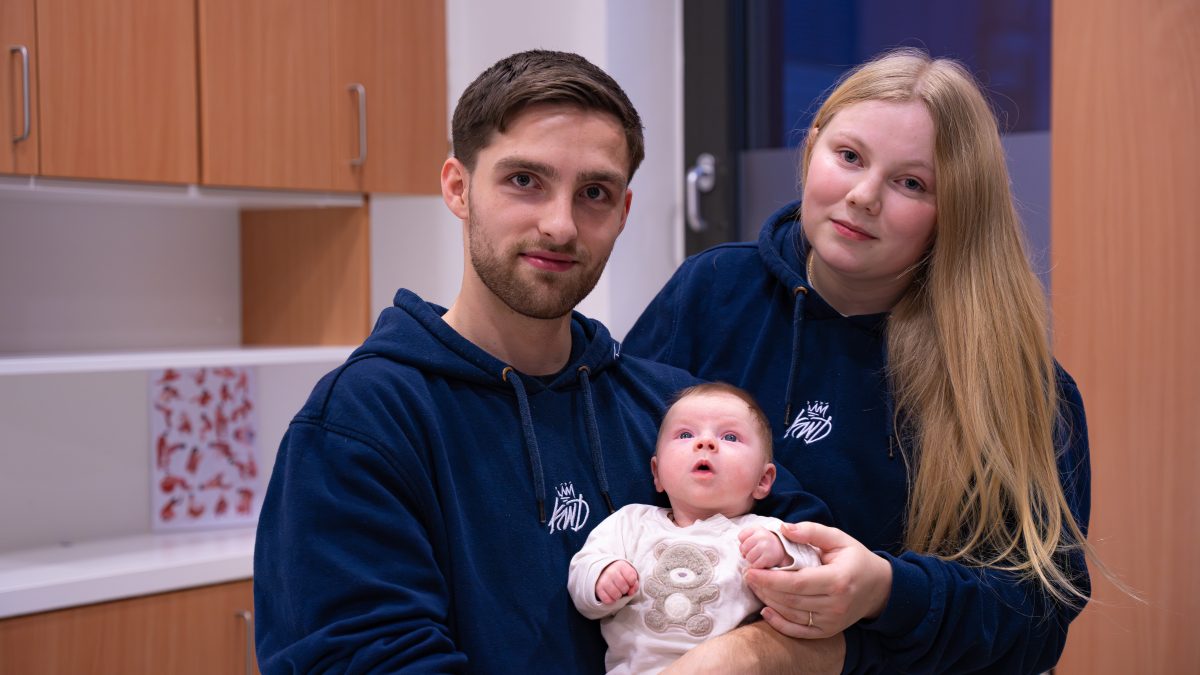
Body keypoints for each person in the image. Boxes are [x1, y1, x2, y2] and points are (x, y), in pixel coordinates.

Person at [252, 49, 817, 674]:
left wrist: (749, 650)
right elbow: (365, 660)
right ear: (458, 188)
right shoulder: (362, 423)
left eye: (594, 192)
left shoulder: (671, 414)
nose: (560, 224)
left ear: (623, 213)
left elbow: (830, 588)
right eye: (525, 180)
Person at [625, 47, 1095, 674]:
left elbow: (1037, 620)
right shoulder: (710, 293)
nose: (864, 196)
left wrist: (883, 593)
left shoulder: (1017, 385)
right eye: (848, 157)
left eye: (912, 184)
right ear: (812, 144)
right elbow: (621, 483)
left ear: (956, 209)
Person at [568, 383, 824, 674]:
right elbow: (582, 573)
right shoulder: (630, 524)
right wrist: (603, 576)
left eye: (730, 437)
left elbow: (816, 579)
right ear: (657, 473)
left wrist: (782, 554)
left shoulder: (765, 532)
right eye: (686, 434)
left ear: (763, 480)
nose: (705, 443)